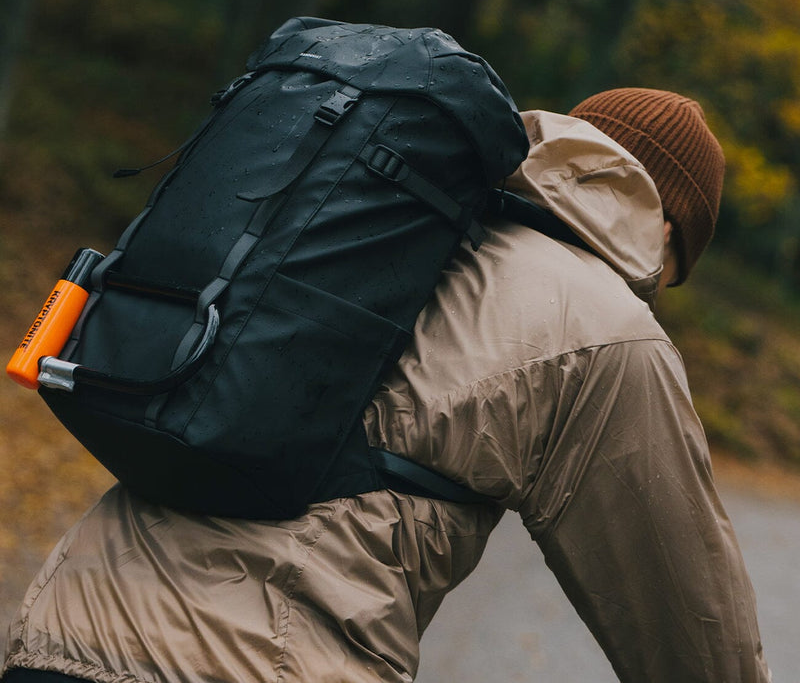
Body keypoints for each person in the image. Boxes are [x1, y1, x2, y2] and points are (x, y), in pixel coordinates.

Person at [2, 88, 771, 682]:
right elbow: (689, 622)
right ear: (663, 231)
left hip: (61, 630)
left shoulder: (398, 217)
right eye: (672, 275)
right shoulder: (607, 325)